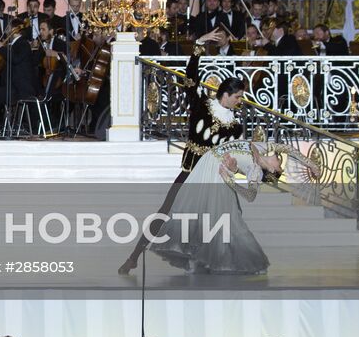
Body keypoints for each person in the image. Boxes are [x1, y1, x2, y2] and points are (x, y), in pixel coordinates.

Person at [119, 51, 247, 275]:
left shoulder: (236, 127)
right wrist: (197, 49)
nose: (240, 101)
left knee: (231, 216)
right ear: (225, 94)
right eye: (237, 96)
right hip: (190, 174)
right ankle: (133, 257)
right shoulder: (202, 106)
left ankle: (214, 260)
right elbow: (190, 79)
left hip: (216, 179)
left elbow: (234, 154)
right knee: (164, 212)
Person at [151, 138, 306, 275]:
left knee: (217, 219)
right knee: (198, 213)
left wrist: (230, 180)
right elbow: (287, 148)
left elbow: (250, 196)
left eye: (280, 167)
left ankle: (207, 260)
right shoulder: (260, 148)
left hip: (216, 174)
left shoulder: (256, 170)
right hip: (207, 164)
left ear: (271, 170)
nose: (281, 163)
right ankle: (196, 259)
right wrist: (311, 165)